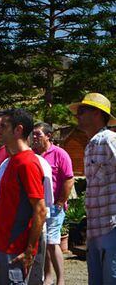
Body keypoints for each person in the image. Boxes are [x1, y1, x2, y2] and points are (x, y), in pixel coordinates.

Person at [0, 109, 47, 284]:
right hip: (4, 246)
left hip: (16, 250)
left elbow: (40, 210)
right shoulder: (13, 161)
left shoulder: (27, 163)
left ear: (18, 130)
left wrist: (30, 251)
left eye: (4, 126)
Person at [69, 93, 116, 284]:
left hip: (112, 226)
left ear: (97, 114)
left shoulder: (109, 140)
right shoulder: (91, 145)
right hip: (97, 228)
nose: (76, 116)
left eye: (82, 111)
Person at [32, 122, 74, 285]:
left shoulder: (60, 154)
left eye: (38, 134)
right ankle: (47, 277)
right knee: (43, 242)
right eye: (33, 134)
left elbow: (69, 179)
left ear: (48, 136)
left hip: (54, 207)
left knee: (52, 241)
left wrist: (60, 202)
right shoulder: (33, 154)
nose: (34, 137)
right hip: (37, 207)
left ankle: (61, 280)